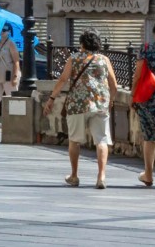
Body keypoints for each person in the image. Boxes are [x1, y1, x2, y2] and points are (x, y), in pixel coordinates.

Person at [44, 29, 117, 189]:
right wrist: (110, 100)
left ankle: (75, 175)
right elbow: (113, 84)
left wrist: (51, 98)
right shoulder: (104, 60)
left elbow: (63, 79)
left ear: (82, 43)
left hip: (77, 104)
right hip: (100, 104)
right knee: (101, 140)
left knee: (74, 140)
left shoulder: (74, 58)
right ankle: (101, 176)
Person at [134, 18, 155, 188]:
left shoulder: (145, 49)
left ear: (154, 33)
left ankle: (148, 175)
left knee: (149, 136)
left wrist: (133, 94)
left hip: (148, 97)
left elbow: (138, 75)